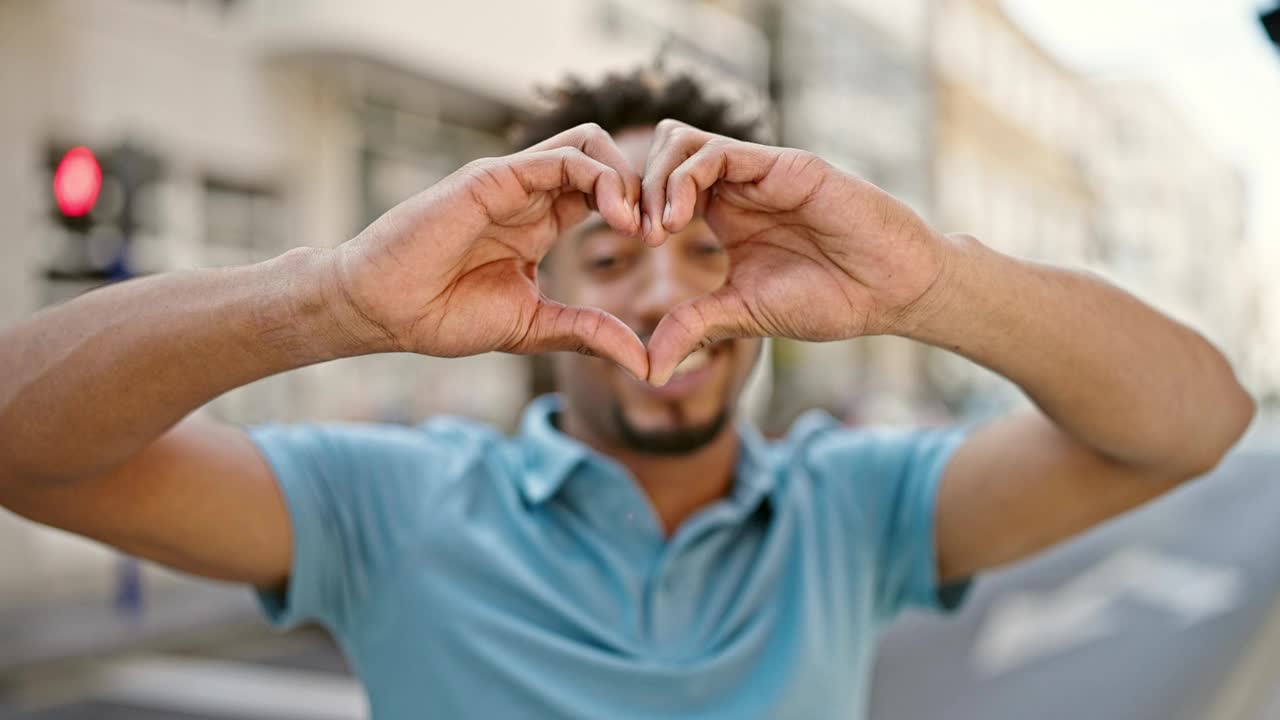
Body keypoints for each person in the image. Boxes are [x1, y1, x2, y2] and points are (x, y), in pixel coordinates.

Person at [0, 71, 1254, 718]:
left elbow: (1197, 422)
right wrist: (334, 296)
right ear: (522, 296)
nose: (666, 300)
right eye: (610, 258)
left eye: (715, 256)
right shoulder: (384, 501)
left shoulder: (852, 510)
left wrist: (926, 281)